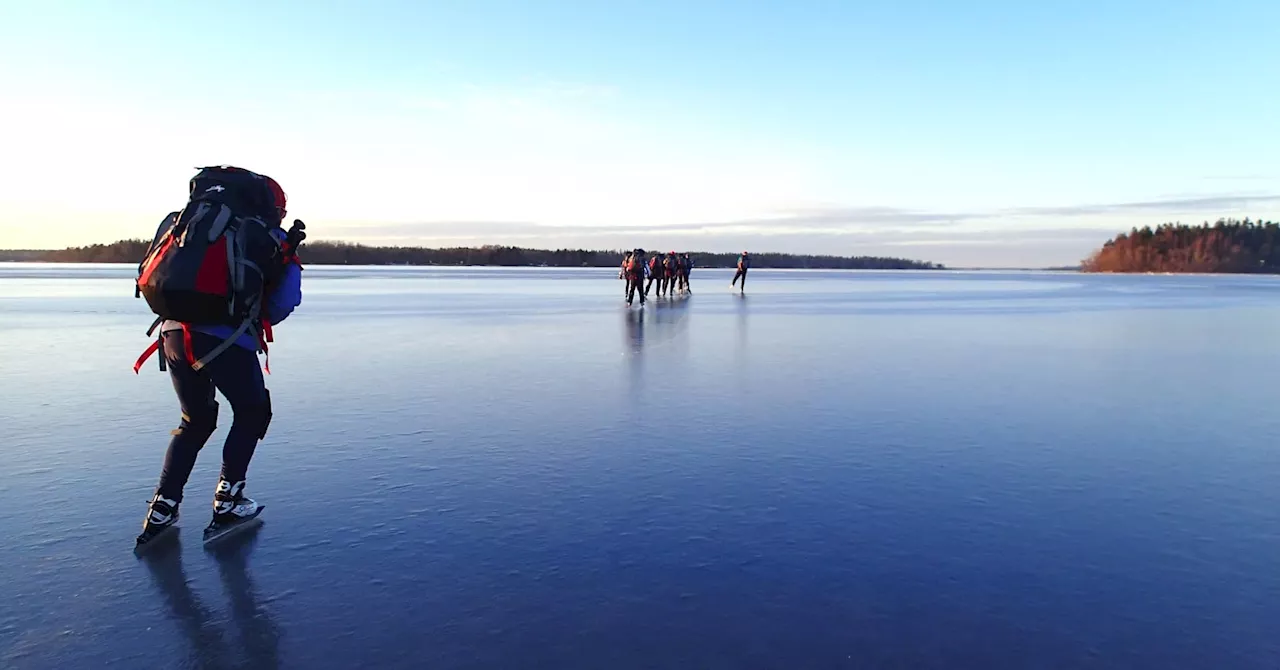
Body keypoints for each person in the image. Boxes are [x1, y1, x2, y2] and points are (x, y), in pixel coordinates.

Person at [136, 169, 303, 547]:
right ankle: (227, 502)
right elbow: (283, 303)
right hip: (225, 340)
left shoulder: (184, 225)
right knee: (252, 412)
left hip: (173, 334)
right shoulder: (270, 238)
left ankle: (163, 506)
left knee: (194, 420)